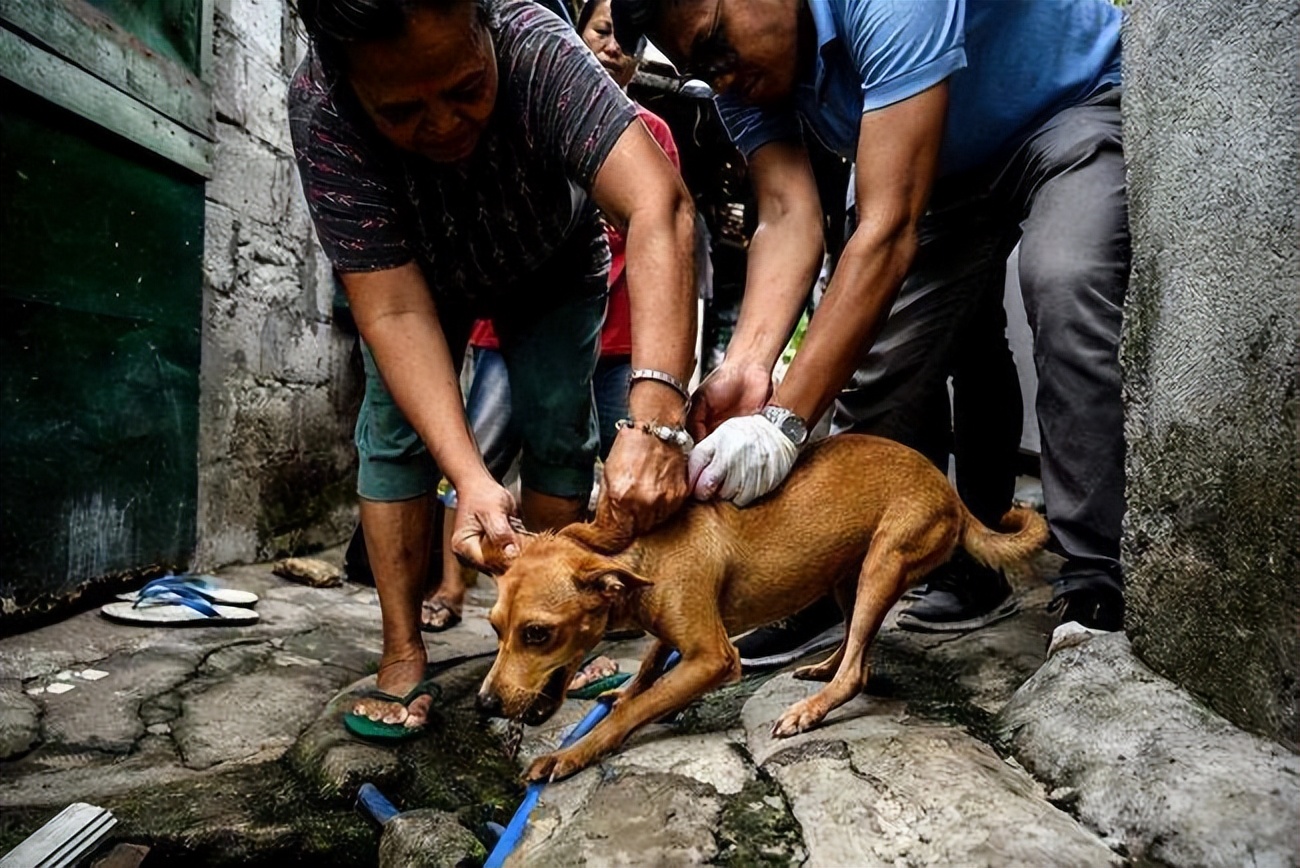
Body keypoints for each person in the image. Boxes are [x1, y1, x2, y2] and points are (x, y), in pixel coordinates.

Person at [612, 0, 1129, 656]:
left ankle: (1095, 570)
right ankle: (875, 577)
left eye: (717, 47)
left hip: (1065, 107)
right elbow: (784, 213)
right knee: (878, 375)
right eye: (697, 71)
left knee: (1066, 280)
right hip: (941, 169)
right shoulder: (740, 76)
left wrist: (783, 424)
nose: (719, 80)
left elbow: (886, 229)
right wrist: (749, 362)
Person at [291, 0, 697, 736]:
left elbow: (658, 205)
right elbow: (392, 312)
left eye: (467, 87)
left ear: (487, 30)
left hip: (553, 261)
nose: (444, 125)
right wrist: (473, 480)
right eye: (403, 111)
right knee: (393, 438)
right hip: (416, 281)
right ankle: (401, 650)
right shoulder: (323, 113)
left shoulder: (539, 48)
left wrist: (658, 416)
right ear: (352, 88)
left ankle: (563, 633)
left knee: (558, 426)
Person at [421, 0, 687, 637]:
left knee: (586, 459)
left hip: (615, 329)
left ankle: (580, 599)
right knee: (478, 453)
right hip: (510, 322)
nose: (615, 46)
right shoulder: (529, 110)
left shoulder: (650, 132)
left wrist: (660, 402)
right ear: (577, 36)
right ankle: (449, 587)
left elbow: (663, 228)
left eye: (629, 38)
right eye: (602, 30)